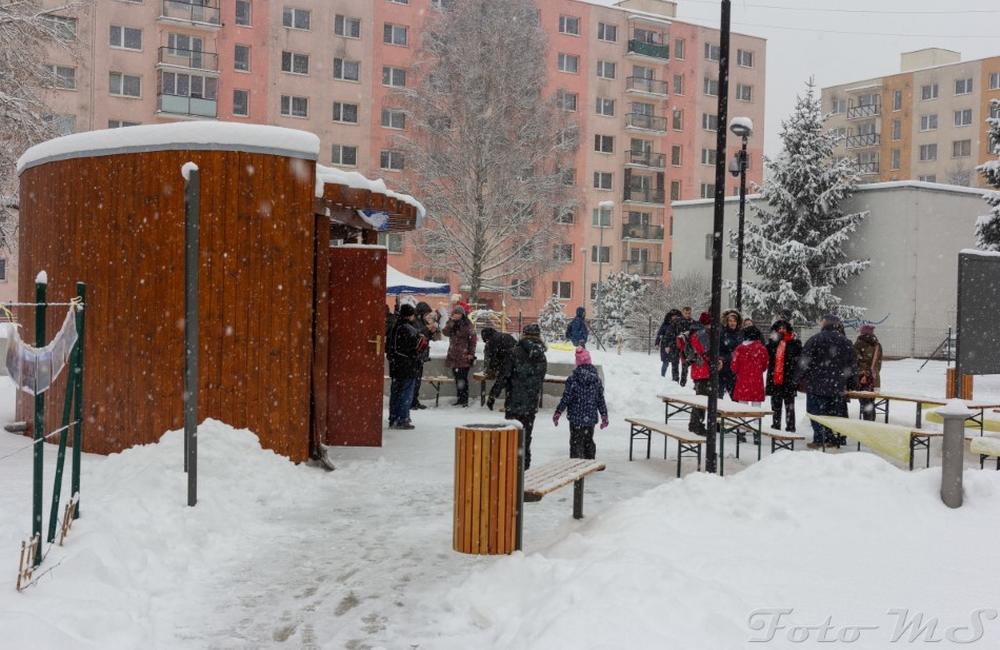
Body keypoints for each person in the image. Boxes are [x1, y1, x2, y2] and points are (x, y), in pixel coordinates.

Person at [487, 324, 547, 469]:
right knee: (526, 436)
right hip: (531, 404)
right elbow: (540, 378)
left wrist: (493, 395)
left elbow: (504, 376)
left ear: (523, 335)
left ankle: (511, 468)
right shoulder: (542, 356)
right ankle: (524, 468)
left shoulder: (514, 352)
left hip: (513, 401)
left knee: (511, 436)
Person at [797, 314, 858, 448]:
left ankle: (819, 438)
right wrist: (852, 383)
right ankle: (832, 439)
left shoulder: (815, 340)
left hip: (816, 384)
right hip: (837, 386)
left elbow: (804, 362)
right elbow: (852, 365)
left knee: (816, 413)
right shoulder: (846, 342)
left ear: (824, 324)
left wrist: (798, 378)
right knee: (833, 414)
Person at [553, 347, 609, 459]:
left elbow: (566, 398)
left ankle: (576, 466)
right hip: (590, 418)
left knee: (576, 442)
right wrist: (604, 415)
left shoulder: (573, 379)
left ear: (577, 362)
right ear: (589, 361)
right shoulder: (596, 380)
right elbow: (600, 399)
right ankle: (589, 464)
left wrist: (558, 412)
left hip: (576, 418)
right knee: (588, 441)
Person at [386, 304, 427, 430]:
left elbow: (389, 347)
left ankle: (393, 418)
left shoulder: (394, 326)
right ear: (410, 315)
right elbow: (415, 348)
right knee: (406, 393)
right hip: (407, 366)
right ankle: (402, 419)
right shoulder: (408, 329)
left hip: (395, 365)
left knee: (395, 392)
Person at [678, 312, 713, 434]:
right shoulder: (702, 334)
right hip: (703, 370)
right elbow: (707, 352)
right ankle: (696, 425)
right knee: (702, 400)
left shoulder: (694, 332)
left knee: (700, 399)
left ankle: (694, 424)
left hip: (697, 370)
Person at [765, 320, 802, 432]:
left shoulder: (795, 343)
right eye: (779, 328)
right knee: (776, 405)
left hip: (789, 379)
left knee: (789, 405)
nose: (782, 330)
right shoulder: (771, 343)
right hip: (775, 379)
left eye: (784, 328)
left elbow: (800, 360)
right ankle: (776, 426)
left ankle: (790, 427)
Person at [443, 305, 477, 407]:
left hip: (464, 356)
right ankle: (459, 398)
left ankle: (464, 399)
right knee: (457, 378)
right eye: (454, 313)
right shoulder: (452, 324)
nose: (456, 315)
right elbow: (445, 332)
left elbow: (473, 340)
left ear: (462, 314)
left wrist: (471, 354)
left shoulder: (467, 325)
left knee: (463, 379)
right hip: (453, 356)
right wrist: (451, 323)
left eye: (458, 313)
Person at [410, 302, 441, 410]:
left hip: (421, 355)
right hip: (415, 355)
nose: (427, 315)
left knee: (418, 380)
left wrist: (432, 332)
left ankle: (415, 400)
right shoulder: (414, 321)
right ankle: (411, 401)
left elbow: (427, 336)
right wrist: (427, 328)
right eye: (426, 313)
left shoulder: (422, 321)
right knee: (413, 379)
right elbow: (416, 334)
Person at [730, 326, 769, 406]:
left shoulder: (739, 349)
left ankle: (742, 418)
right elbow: (764, 367)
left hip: (742, 382)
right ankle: (756, 419)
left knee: (742, 408)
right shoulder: (762, 349)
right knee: (756, 410)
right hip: (757, 382)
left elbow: (734, 367)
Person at [854, 324, 883, 421]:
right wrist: (873, 373)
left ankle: (867, 425)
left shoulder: (859, 344)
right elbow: (878, 364)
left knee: (864, 402)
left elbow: (856, 362)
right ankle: (871, 423)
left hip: (863, 378)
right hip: (874, 378)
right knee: (870, 402)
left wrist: (862, 373)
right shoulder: (877, 345)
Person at [719, 310, 744, 400]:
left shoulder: (740, 333)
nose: (732, 323)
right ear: (726, 321)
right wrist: (727, 357)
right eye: (730, 321)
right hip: (722, 368)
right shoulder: (722, 333)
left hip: (734, 370)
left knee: (735, 396)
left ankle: (736, 414)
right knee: (719, 396)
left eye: (734, 321)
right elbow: (718, 350)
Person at [655, 309, 682, 378]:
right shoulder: (665, 324)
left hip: (675, 345)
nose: (675, 317)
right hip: (665, 345)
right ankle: (662, 376)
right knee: (665, 362)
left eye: (676, 316)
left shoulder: (680, 324)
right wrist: (657, 343)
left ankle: (675, 379)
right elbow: (660, 333)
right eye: (673, 316)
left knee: (675, 363)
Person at [676, 306, 694, 387]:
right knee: (684, 365)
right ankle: (682, 383)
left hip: (692, 346)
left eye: (689, 313)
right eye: (686, 313)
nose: (687, 315)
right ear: (682, 313)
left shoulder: (693, 322)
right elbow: (677, 333)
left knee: (695, 364)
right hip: (683, 347)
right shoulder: (679, 322)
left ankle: (696, 382)